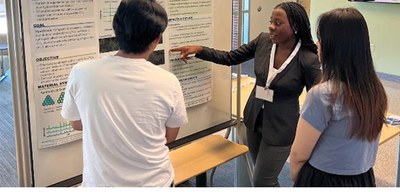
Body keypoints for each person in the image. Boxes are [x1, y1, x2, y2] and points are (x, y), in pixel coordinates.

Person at [171, 2, 320, 187]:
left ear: (295, 27)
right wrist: (201, 50)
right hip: (254, 118)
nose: (271, 26)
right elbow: (230, 57)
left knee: (261, 180)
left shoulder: (307, 58)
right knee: (264, 176)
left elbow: (317, 101)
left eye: (278, 23)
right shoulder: (263, 41)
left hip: (282, 128)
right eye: (270, 21)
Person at [61, 0, 188, 187]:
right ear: (157, 38)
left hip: (101, 183)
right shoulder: (168, 81)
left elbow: (77, 123)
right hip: (155, 182)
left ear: (116, 30)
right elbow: (170, 136)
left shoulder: (81, 72)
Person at [290, 7, 388, 187]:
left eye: (320, 38)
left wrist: (300, 180)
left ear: (333, 46)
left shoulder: (322, 95)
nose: (317, 44)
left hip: (324, 179)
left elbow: (298, 155)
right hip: (363, 179)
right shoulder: (375, 89)